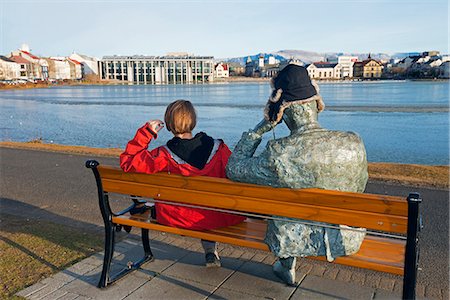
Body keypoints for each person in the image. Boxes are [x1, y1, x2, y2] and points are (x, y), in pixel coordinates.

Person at [226, 64, 368, 285]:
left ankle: (286, 264)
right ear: (315, 104)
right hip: (345, 239)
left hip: (292, 239)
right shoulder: (353, 143)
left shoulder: (278, 153)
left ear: (283, 112)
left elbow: (234, 168)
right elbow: (358, 188)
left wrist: (260, 129)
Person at [120, 99, 246, 267]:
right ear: (193, 121)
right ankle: (210, 250)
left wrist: (146, 133)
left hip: (179, 217)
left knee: (192, 202)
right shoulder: (219, 148)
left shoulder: (163, 155)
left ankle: (209, 250)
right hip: (219, 217)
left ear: (169, 124)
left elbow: (129, 162)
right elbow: (237, 174)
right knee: (205, 201)